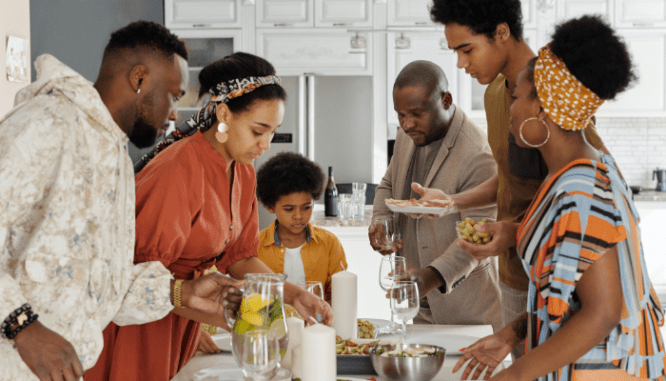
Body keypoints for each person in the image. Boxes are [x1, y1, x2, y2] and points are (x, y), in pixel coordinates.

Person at [0, 21, 245, 381]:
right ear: (139, 79)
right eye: (174, 96)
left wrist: (181, 292)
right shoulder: (46, 124)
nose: (175, 114)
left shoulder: (112, 150)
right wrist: (22, 326)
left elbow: (99, 282)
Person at [86, 52, 333, 381]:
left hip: (185, 314)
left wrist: (293, 294)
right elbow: (137, 277)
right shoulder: (178, 170)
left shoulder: (242, 170)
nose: (266, 144)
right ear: (224, 114)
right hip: (140, 323)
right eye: (258, 131)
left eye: (273, 132)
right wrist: (189, 305)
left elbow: (239, 259)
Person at [453, 16, 666, 381]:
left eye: (518, 97)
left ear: (541, 109)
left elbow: (601, 313)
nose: (512, 110)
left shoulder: (581, 191)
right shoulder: (571, 175)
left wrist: (515, 375)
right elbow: (570, 290)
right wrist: (512, 334)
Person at [427, 0, 617, 359]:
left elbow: (594, 200)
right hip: (516, 274)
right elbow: (511, 176)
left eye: (467, 49)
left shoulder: (555, 97)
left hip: (560, 275)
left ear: (501, 32)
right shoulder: (496, 94)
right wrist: (453, 201)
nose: (460, 63)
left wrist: (515, 232)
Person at [369, 60, 501, 330]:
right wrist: (381, 223)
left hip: (465, 310)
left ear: (446, 100)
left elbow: (479, 234)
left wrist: (431, 276)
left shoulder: (477, 153)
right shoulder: (409, 132)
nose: (406, 124)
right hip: (416, 304)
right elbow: (388, 183)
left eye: (416, 113)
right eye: (400, 114)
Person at [256, 152, 348, 304]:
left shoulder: (329, 243)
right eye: (289, 209)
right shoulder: (256, 246)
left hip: (316, 325)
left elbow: (340, 294)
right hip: (272, 327)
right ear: (271, 206)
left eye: (306, 207)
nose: (298, 216)